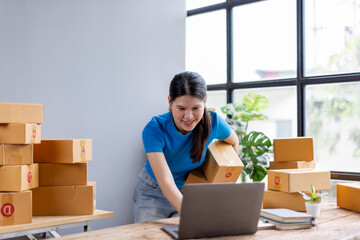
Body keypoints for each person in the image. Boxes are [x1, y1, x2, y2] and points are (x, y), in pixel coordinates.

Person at [132, 71, 239, 223]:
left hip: (189, 191)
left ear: (205, 102)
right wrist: (193, 215)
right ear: (170, 102)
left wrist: (226, 179)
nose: (188, 116)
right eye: (181, 108)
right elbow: (166, 181)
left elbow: (234, 141)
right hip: (152, 192)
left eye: (196, 108)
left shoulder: (213, 123)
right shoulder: (154, 129)